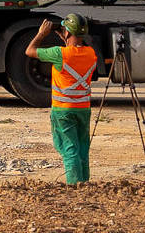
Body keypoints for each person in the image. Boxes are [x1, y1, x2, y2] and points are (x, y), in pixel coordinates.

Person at [29, 13, 101, 185]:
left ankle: (74, 184)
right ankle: (84, 183)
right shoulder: (91, 54)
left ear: (67, 32)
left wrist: (41, 34)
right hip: (83, 109)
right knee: (82, 148)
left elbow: (29, 51)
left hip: (63, 110)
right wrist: (66, 40)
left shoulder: (59, 53)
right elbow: (75, 54)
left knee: (69, 149)